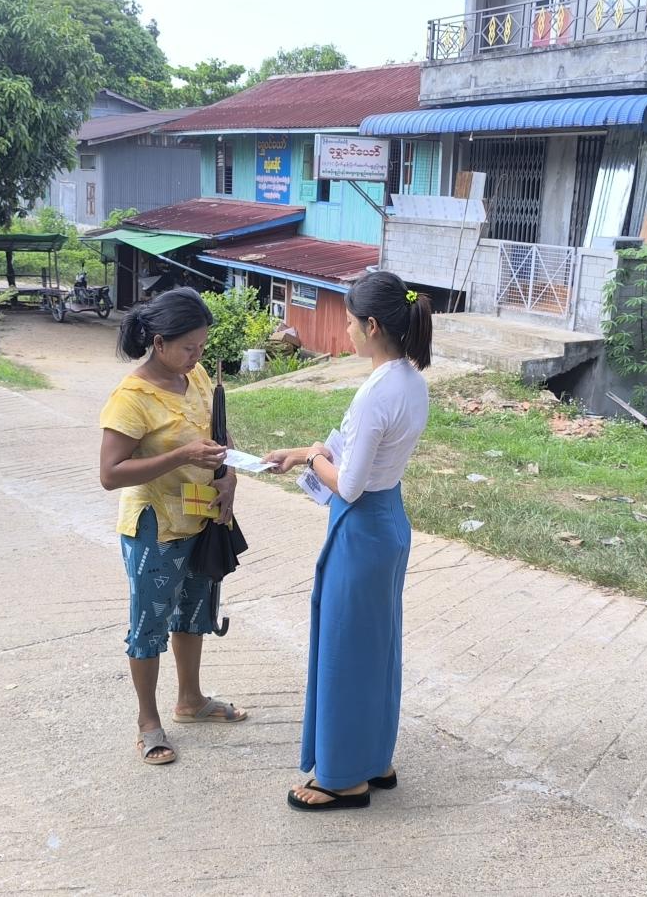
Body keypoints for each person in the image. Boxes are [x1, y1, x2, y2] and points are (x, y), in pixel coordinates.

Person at [263, 270, 433, 811]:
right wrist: (302, 453)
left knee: (343, 648)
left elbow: (351, 484)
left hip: (359, 529)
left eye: (351, 322)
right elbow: (364, 456)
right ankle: (375, 758)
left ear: (373, 325)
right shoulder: (412, 380)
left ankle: (342, 778)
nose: (347, 330)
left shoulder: (375, 392)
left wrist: (315, 458)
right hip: (389, 522)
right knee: (376, 647)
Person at [98, 287, 249, 767]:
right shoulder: (131, 398)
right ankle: (148, 722)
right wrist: (182, 455)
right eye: (188, 347)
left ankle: (191, 700)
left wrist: (229, 478)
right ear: (159, 343)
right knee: (149, 623)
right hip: (154, 526)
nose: (197, 356)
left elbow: (219, 435)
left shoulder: (195, 375)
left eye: (201, 346)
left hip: (201, 516)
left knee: (193, 612)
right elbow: (110, 474)